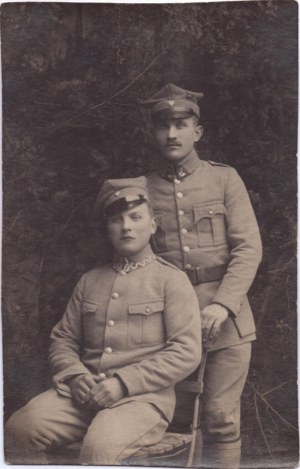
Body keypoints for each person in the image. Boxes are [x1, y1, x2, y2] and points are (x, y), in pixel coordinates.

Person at [5, 176, 202, 465]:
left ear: (152, 225)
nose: (126, 227)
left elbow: (185, 351)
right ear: (107, 229)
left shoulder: (171, 281)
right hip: (80, 397)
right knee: (19, 429)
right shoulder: (90, 281)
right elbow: (63, 340)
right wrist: (75, 377)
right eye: (116, 220)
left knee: (100, 448)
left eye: (135, 217)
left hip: (141, 400)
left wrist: (122, 384)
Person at [142, 83, 263, 469]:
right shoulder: (140, 190)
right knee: (168, 424)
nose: (172, 134)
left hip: (227, 322)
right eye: (163, 125)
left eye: (181, 124)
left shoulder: (225, 180)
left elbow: (248, 249)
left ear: (198, 131)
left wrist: (223, 305)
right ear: (153, 132)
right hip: (166, 327)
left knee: (220, 419)